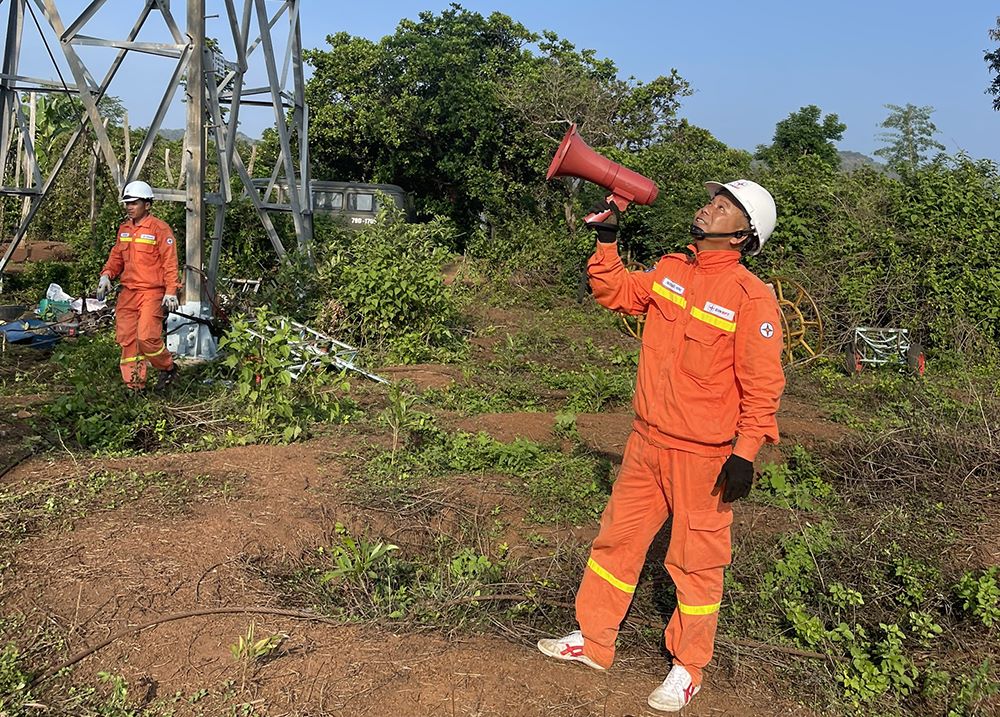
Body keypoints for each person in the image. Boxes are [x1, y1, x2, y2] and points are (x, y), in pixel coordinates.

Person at [537, 180, 786, 712]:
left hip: (705, 455)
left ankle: (687, 668)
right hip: (646, 441)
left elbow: (763, 385)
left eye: (722, 206)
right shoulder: (672, 269)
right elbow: (618, 294)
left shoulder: (751, 298)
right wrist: (607, 242)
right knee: (616, 544)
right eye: (712, 199)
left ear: (743, 235)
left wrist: (745, 453)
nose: (708, 206)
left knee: (695, 561)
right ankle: (593, 641)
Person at [96, 180, 179, 390]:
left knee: (147, 338)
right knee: (127, 340)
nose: (129, 207)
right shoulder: (124, 229)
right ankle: (135, 386)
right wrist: (106, 275)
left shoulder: (160, 230)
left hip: (152, 293)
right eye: (127, 203)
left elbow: (170, 263)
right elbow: (116, 257)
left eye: (134, 203)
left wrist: (171, 291)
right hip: (128, 293)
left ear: (147, 205)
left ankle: (168, 368)